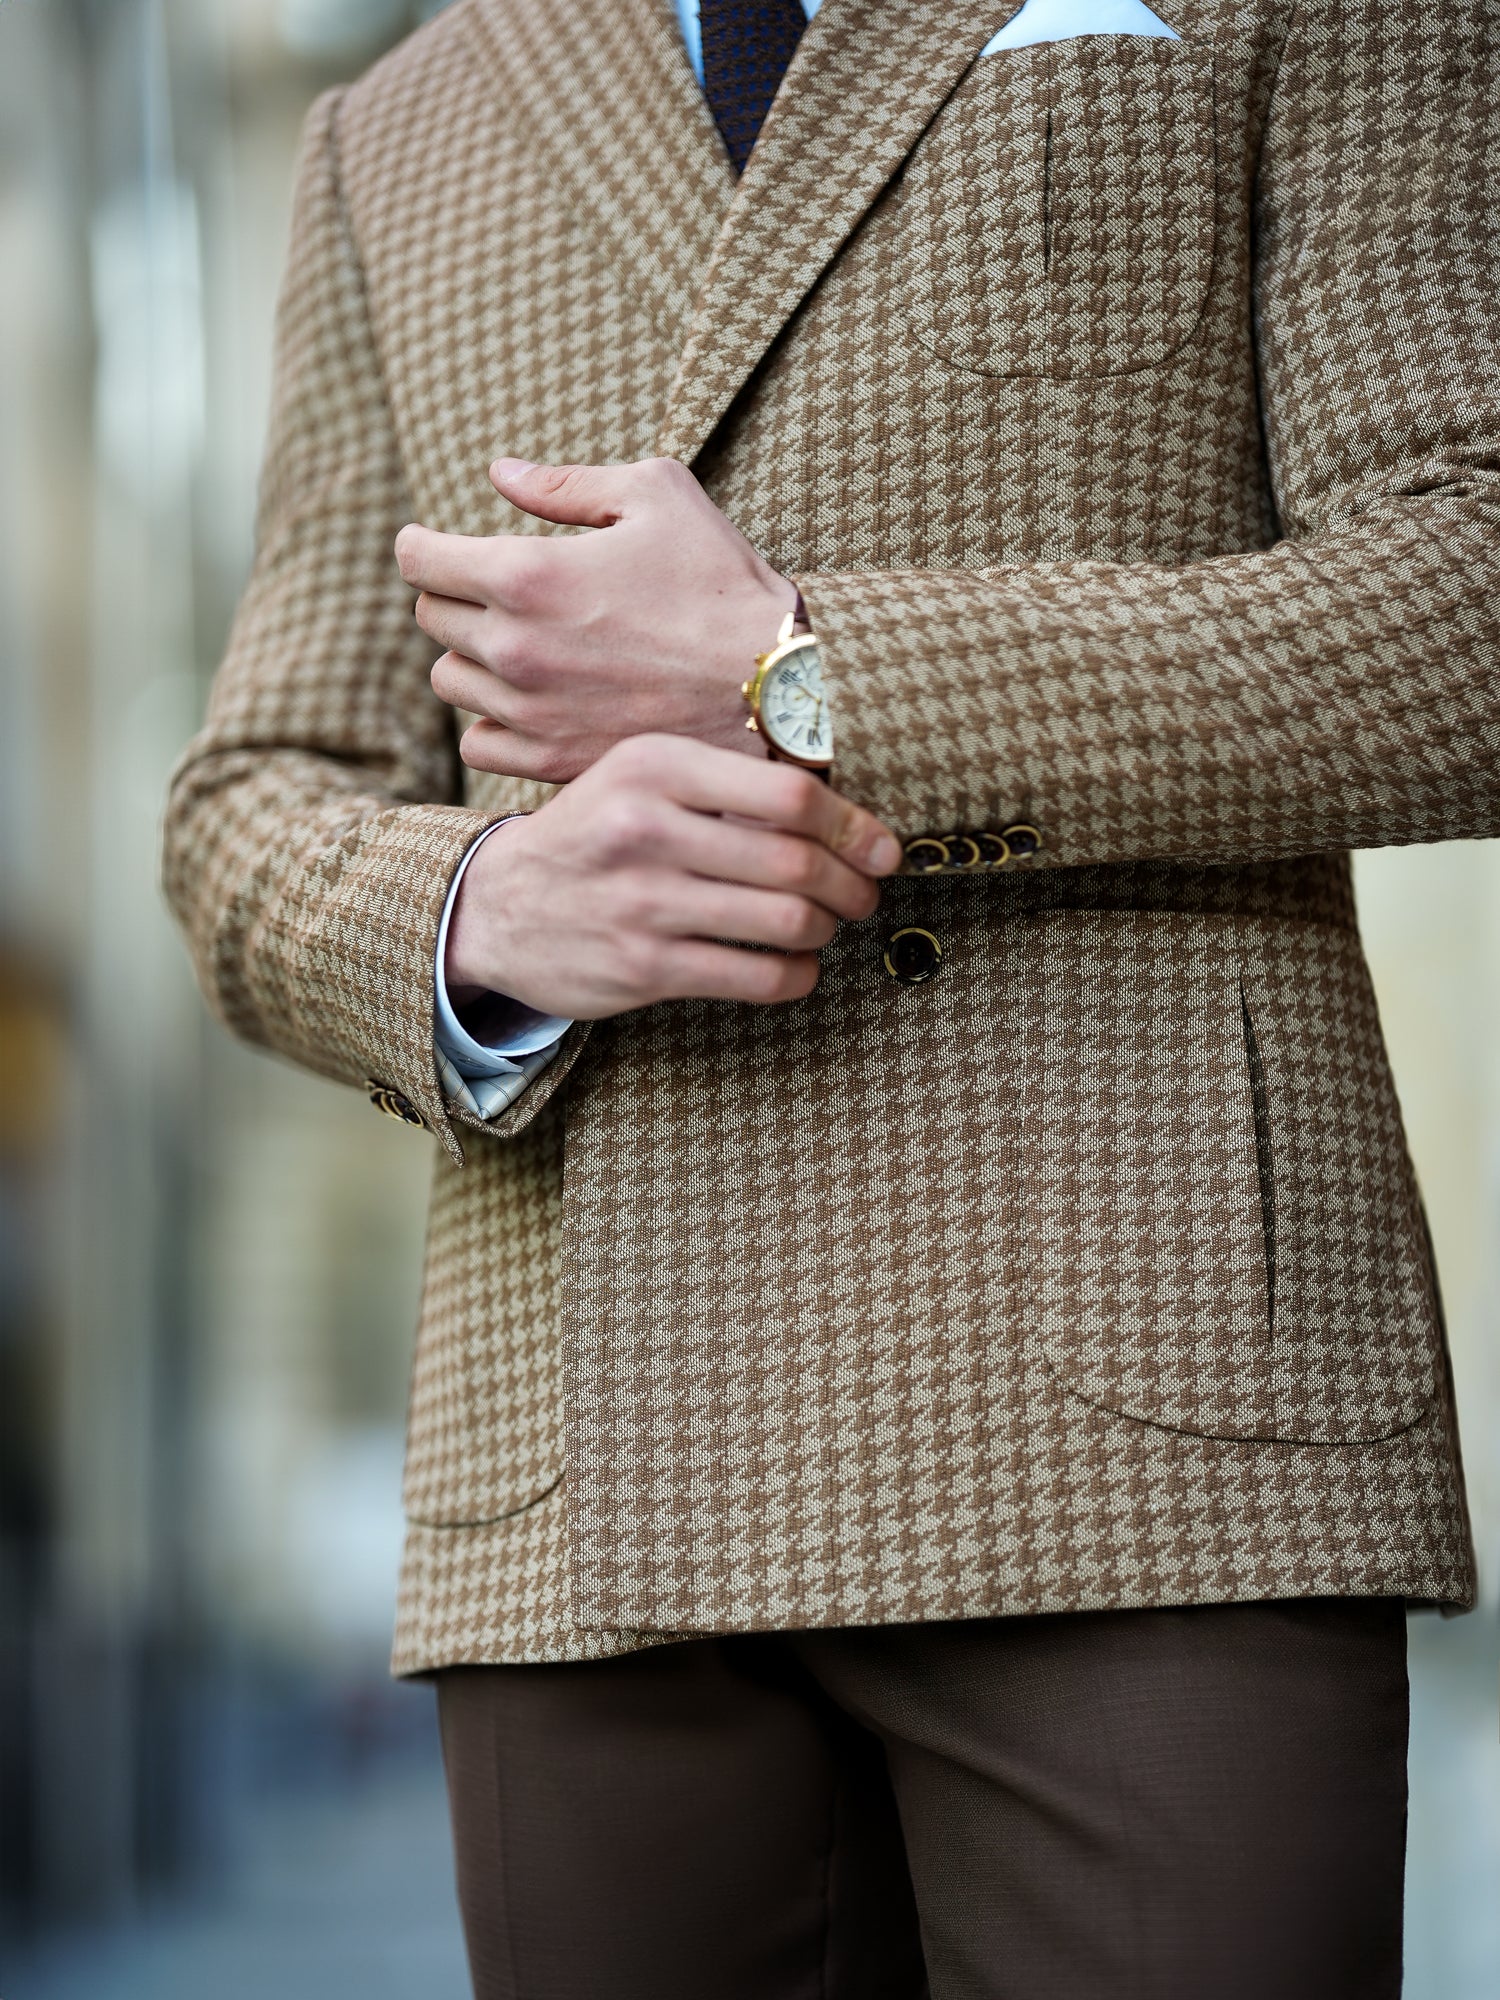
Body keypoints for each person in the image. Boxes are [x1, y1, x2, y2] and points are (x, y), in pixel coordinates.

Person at [162, 0, 1500, 1993]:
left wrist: (815, 669)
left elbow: (1466, 603)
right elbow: (246, 808)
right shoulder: (397, 124)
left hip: (1148, 1428)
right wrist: (488, 905)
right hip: (586, 1483)